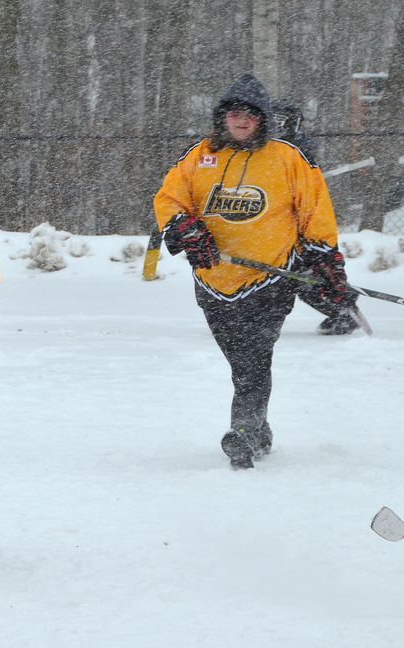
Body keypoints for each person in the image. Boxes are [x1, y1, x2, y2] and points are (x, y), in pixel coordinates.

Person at [153, 73, 355, 469]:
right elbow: (170, 197)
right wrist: (184, 228)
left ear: (263, 119)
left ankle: (243, 431)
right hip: (213, 281)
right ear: (222, 117)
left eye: (250, 114)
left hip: (270, 279)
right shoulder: (200, 155)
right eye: (234, 114)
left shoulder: (287, 158)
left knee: (252, 358)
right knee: (240, 360)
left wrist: (326, 261)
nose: (241, 121)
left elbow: (316, 212)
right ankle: (258, 430)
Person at [273, 98, 361, 335]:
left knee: (303, 273)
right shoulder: (264, 145)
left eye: (280, 121)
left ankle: (341, 307)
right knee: (282, 274)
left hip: (298, 221)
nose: (276, 125)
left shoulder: (298, 145)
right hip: (272, 222)